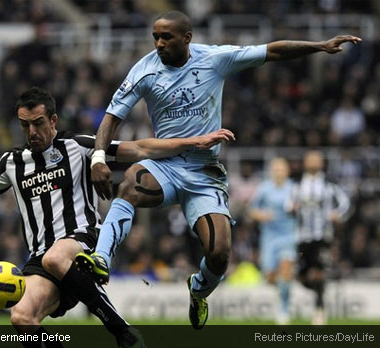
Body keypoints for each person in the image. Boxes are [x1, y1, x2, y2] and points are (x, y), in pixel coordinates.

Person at [0, 87, 235, 348]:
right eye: (25, 126)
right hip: (41, 260)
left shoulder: (80, 147)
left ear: (52, 121)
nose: (32, 132)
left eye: (38, 123)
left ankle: (119, 328)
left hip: (81, 241)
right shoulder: (13, 163)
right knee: (21, 318)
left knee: (56, 256)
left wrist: (193, 142)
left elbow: (140, 148)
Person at [77, 9, 361, 329]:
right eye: (155, 36)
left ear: (187, 38)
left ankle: (198, 291)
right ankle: (101, 259)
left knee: (220, 253)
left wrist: (319, 46)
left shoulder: (216, 59)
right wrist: (99, 158)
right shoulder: (144, 71)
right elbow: (111, 117)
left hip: (204, 172)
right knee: (130, 183)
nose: (158, 43)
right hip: (165, 165)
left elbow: (273, 49)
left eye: (166, 37)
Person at [290, 150, 350, 325]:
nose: (314, 162)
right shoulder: (298, 184)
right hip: (301, 237)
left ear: (322, 163)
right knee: (302, 276)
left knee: (317, 273)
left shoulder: (329, 183)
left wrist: (337, 215)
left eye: (317, 159)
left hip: (322, 235)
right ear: (305, 162)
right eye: (311, 159)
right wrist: (291, 209)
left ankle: (319, 309)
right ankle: (320, 293)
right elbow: (289, 204)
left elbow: (346, 203)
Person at [249, 158, 296, 324]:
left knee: (285, 269)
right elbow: (252, 210)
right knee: (269, 275)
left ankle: (284, 309)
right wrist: (262, 215)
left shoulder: (294, 189)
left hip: (289, 235)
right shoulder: (264, 189)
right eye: (275, 169)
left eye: (281, 169)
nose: (278, 172)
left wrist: (297, 209)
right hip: (269, 237)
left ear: (287, 171)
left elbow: (302, 209)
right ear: (271, 171)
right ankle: (284, 290)